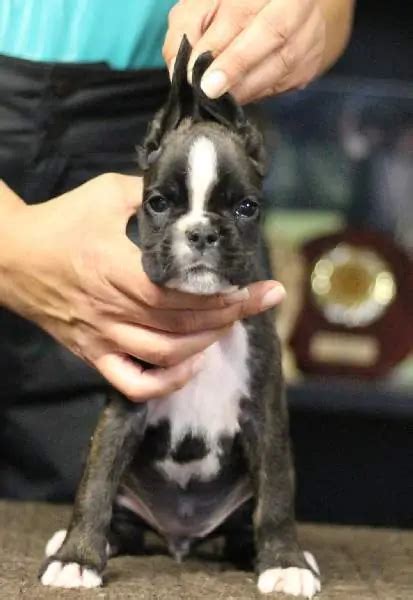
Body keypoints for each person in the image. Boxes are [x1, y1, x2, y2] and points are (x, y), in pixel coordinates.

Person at [0, 0, 355, 501]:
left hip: (187, 120)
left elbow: (328, 13)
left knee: (148, 507)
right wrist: (10, 244)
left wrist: (311, 19)